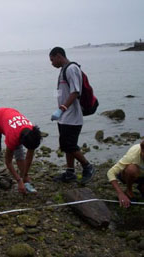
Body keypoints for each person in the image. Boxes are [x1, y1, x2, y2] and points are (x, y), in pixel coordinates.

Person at [49, 47, 95, 184]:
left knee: (69, 145)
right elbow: (63, 92)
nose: (51, 63)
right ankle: (70, 172)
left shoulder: (71, 69)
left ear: (59, 56)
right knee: (66, 145)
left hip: (72, 117)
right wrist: (59, 111)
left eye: (52, 60)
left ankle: (88, 167)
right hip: (64, 117)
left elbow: (75, 91)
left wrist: (62, 108)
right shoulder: (63, 70)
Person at [0, 107, 42, 198]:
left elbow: (28, 157)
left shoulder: (32, 133)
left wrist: (24, 177)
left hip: (10, 117)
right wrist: (19, 181)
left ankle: (26, 181)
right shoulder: (13, 137)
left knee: (20, 154)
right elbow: (8, 162)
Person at [107, 140, 144, 208]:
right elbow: (110, 173)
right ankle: (128, 191)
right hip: (130, 174)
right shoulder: (132, 156)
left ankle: (142, 186)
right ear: (141, 151)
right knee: (131, 169)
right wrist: (120, 193)